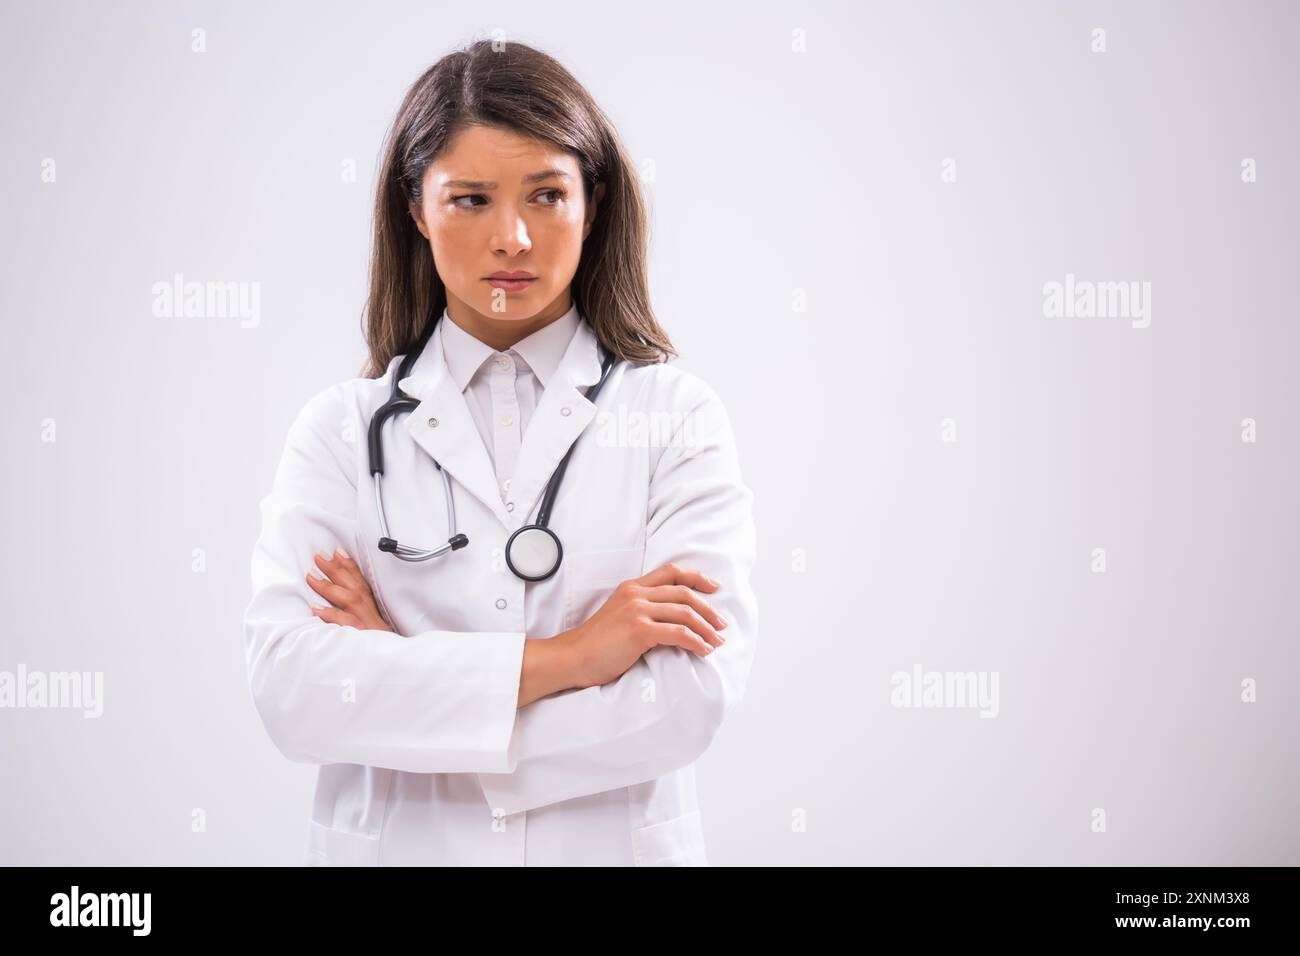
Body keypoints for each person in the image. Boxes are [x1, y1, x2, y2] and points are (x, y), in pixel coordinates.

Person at [242, 38, 758, 866]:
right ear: (417, 210)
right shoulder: (339, 431)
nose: (512, 237)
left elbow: (688, 701)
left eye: (547, 195)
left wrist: (405, 680)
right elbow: (294, 694)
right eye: (471, 199)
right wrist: (574, 659)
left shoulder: (673, 417)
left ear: (593, 202)